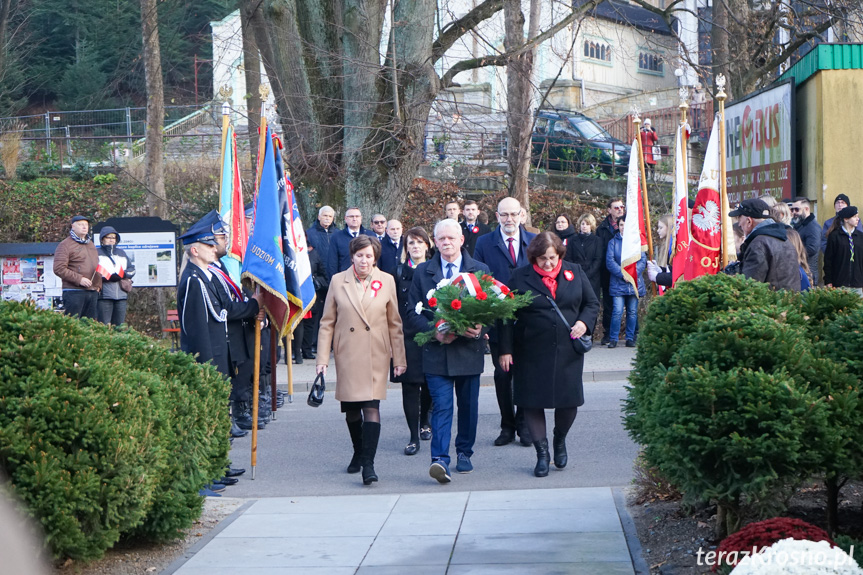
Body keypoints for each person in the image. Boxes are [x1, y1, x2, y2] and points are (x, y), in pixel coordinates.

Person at [498, 232, 599, 477]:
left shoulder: (574, 272)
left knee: (569, 401)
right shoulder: (520, 276)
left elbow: (592, 304)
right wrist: (505, 350)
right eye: (542, 259)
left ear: (559, 255)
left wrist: (584, 324)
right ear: (534, 257)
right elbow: (506, 315)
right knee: (532, 402)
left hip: (568, 350)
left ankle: (559, 440)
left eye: (552, 258)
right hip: (531, 350)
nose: (548, 264)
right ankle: (542, 454)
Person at [316, 235, 407, 485]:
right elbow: (327, 324)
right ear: (352, 256)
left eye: (369, 256)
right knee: (352, 412)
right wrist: (322, 359)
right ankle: (358, 451)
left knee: (371, 408)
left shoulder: (386, 281)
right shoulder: (338, 281)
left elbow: (395, 324)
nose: (364, 260)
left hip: (375, 353)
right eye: (359, 255)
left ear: (375, 257)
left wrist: (399, 359)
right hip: (348, 354)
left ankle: (369, 463)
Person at [405, 219, 491, 483]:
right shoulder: (423, 272)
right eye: (441, 239)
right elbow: (411, 312)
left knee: (468, 407)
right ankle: (439, 460)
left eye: (451, 238)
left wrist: (478, 327)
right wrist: (436, 330)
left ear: (461, 240)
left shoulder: (479, 270)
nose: (446, 243)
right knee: (441, 407)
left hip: (468, 351)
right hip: (437, 351)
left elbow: (492, 308)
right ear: (435, 242)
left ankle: (464, 451)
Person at [474, 197, 537, 447]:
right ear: (497, 216)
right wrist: (486, 324)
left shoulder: (533, 241)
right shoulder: (484, 243)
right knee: (502, 376)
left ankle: (523, 425)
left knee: (525, 375)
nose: (509, 219)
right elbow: (479, 280)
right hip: (499, 321)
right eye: (504, 215)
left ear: (522, 215)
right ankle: (507, 426)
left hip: (527, 322)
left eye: (513, 214)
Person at [389, 226, 434, 455]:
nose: (415, 246)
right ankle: (413, 435)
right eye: (411, 243)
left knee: (428, 384)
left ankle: (426, 420)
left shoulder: (435, 270)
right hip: (407, 338)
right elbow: (393, 308)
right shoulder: (398, 273)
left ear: (428, 245)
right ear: (406, 248)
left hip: (431, 334)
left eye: (419, 242)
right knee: (409, 386)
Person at [729, 198, 800, 291]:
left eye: (739, 219)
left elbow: (750, 286)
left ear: (749, 221)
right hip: (787, 303)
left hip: (768, 303)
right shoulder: (785, 239)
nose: (739, 224)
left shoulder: (758, 245)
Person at [606, 216, 647, 348]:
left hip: (633, 283)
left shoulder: (637, 242)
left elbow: (642, 261)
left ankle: (630, 338)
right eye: (621, 225)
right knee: (617, 311)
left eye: (626, 225)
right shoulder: (613, 242)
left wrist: (632, 274)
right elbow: (610, 261)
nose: (624, 227)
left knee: (632, 312)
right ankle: (613, 338)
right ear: (618, 226)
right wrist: (623, 273)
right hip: (618, 282)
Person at [53, 215, 101, 319]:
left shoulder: (91, 244)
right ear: (73, 227)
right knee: (73, 325)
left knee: (90, 326)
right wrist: (79, 279)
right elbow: (59, 268)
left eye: (86, 225)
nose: (84, 227)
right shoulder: (65, 245)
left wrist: (98, 286)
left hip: (92, 292)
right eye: (80, 225)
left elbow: (97, 266)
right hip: (73, 291)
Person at [306, 205, 336, 354]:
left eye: (330, 216)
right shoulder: (310, 233)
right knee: (316, 312)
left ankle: (332, 342)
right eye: (324, 215)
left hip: (334, 277)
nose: (327, 218)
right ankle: (313, 343)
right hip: (317, 279)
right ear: (318, 217)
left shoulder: (337, 234)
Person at [597, 198, 625, 344]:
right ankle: (608, 333)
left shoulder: (630, 226)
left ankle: (632, 334)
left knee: (630, 306)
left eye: (621, 207)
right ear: (609, 210)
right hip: (607, 272)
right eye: (616, 208)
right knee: (608, 304)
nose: (620, 209)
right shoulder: (602, 229)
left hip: (626, 272)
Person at [96, 225, 135, 326]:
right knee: (103, 325)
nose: (111, 240)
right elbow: (93, 271)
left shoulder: (121, 253)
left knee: (119, 326)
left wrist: (123, 275)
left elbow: (132, 269)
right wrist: (106, 278)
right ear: (102, 239)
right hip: (104, 295)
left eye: (113, 237)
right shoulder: (97, 253)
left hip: (121, 294)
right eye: (108, 237)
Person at [824, 206, 863, 295]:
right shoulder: (835, 236)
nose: (857, 219)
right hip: (839, 283)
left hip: (858, 283)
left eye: (858, 216)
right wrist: (828, 280)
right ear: (846, 219)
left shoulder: (861, 237)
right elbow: (828, 260)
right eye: (854, 217)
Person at [326, 207, 375, 279]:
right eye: (351, 216)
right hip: (345, 279)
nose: (354, 219)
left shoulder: (371, 235)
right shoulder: (337, 237)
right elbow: (332, 263)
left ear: (361, 218)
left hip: (367, 279)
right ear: (345, 219)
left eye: (357, 216)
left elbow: (376, 259)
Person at [565, 213, 603, 299]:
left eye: (587, 224)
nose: (584, 226)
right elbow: (569, 257)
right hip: (576, 275)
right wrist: (577, 272)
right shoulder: (572, 240)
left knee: (591, 301)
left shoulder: (597, 241)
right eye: (583, 224)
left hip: (592, 277)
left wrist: (587, 274)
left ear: (591, 226)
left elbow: (598, 260)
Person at [791, 197, 821, 284]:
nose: (793, 213)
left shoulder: (812, 227)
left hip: (808, 274)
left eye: (796, 209)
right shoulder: (800, 225)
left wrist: (792, 253)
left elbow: (812, 249)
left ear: (806, 209)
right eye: (792, 210)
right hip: (801, 272)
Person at [646, 214, 674, 289]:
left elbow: (675, 276)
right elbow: (670, 271)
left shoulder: (674, 248)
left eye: (661, 228)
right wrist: (660, 270)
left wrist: (657, 276)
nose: (658, 230)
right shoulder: (667, 246)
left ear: (669, 228)